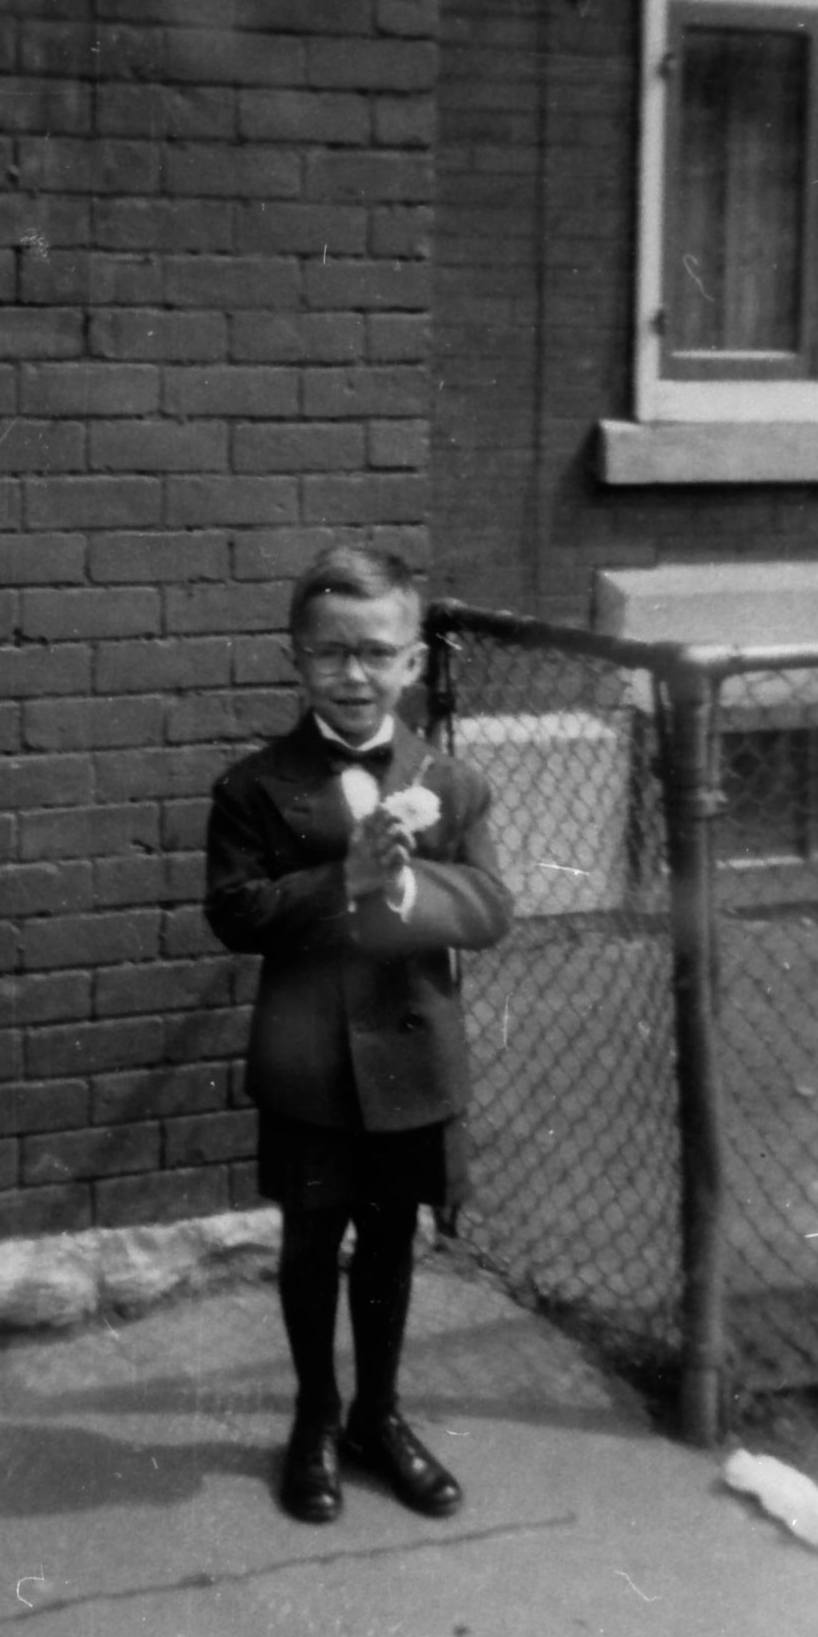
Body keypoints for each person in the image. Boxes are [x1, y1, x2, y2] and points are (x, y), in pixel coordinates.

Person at [204, 544, 513, 1524]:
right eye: (330, 653)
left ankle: (377, 1416)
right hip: (310, 1066)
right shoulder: (253, 786)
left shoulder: (451, 785)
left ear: (411, 664)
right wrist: (340, 881)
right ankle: (313, 1416)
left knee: (389, 1240)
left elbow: (493, 906)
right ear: (295, 659)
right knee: (309, 1241)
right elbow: (235, 910)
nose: (352, 673)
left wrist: (406, 886)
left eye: (375, 653)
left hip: (412, 1059)